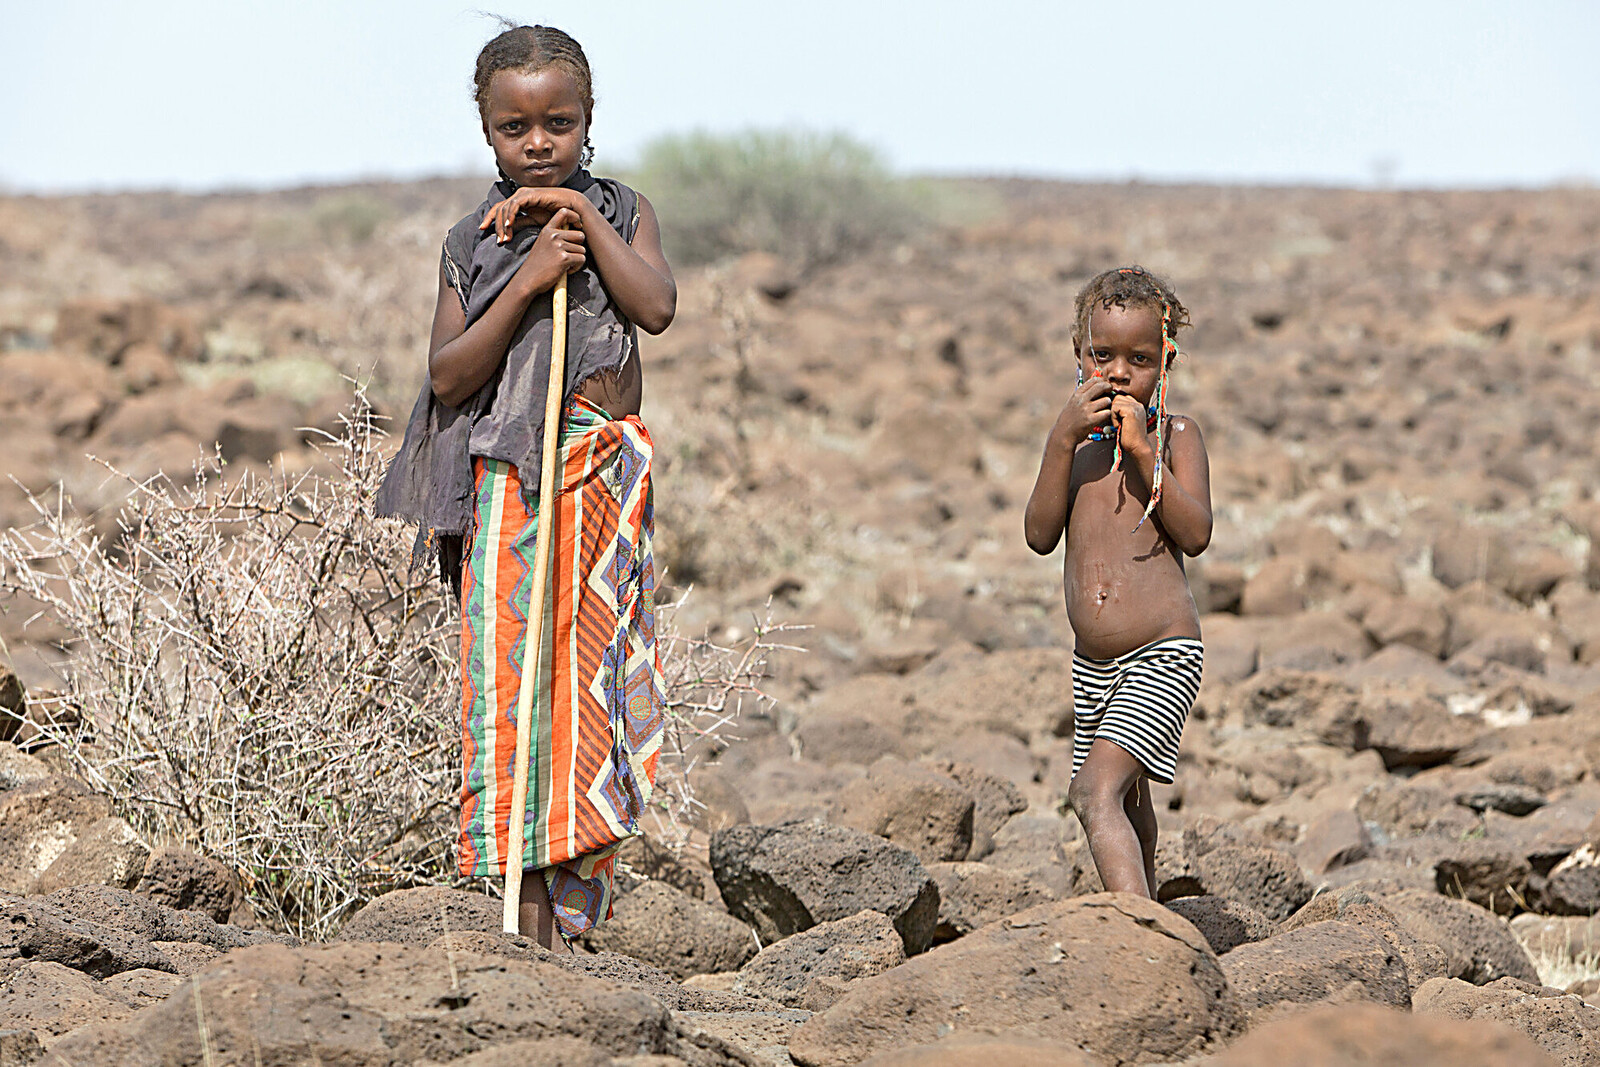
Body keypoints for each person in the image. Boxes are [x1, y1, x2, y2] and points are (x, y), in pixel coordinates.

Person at [377, 23, 676, 950]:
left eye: (560, 122)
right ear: (487, 132)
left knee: (588, 693)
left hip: (599, 478)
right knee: (517, 695)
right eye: (516, 128)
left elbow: (656, 308)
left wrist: (579, 227)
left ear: (589, 122)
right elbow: (451, 373)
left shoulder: (622, 212)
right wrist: (529, 279)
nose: (539, 144)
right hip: (513, 489)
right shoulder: (472, 240)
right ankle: (524, 919)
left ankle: (574, 917)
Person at [1023, 266, 1211, 899]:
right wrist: (1058, 441)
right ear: (1079, 356)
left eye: (1141, 358)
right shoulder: (1074, 451)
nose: (1120, 372)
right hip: (1092, 668)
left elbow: (1197, 533)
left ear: (1167, 362)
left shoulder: (1176, 437)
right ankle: (1151, 906)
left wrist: (1142, 455)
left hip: (1163, 650)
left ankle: (1137, 932)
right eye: (1103, 355)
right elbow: (1039, 535)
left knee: (1092, 789)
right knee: (1128, 801)